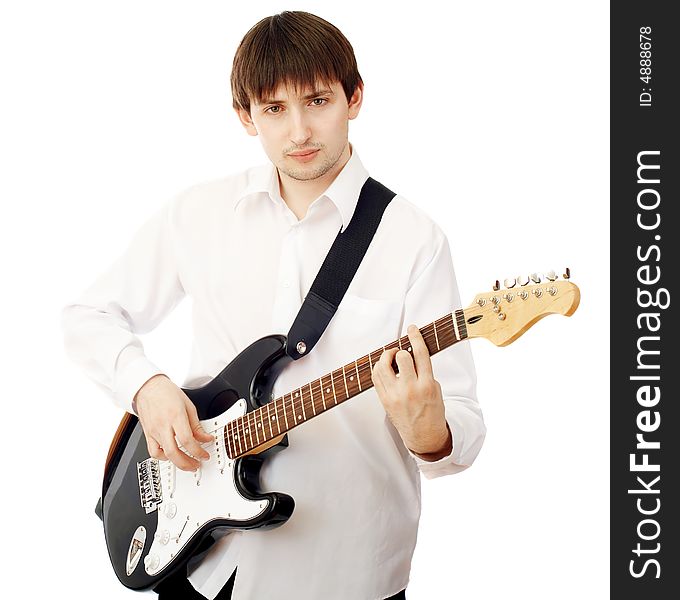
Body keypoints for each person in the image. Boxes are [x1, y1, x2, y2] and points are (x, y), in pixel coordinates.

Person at [61, 10, 486, 600]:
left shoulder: (414, 239)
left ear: (355, 96)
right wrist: (148, 388)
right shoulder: (198, 215)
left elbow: (459, 427)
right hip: (204, 563)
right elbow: (88, 316)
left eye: (317, 101)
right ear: (245, 116)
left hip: (349, 571)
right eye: (274, 110)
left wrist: (428, 430)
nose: (299, 132)